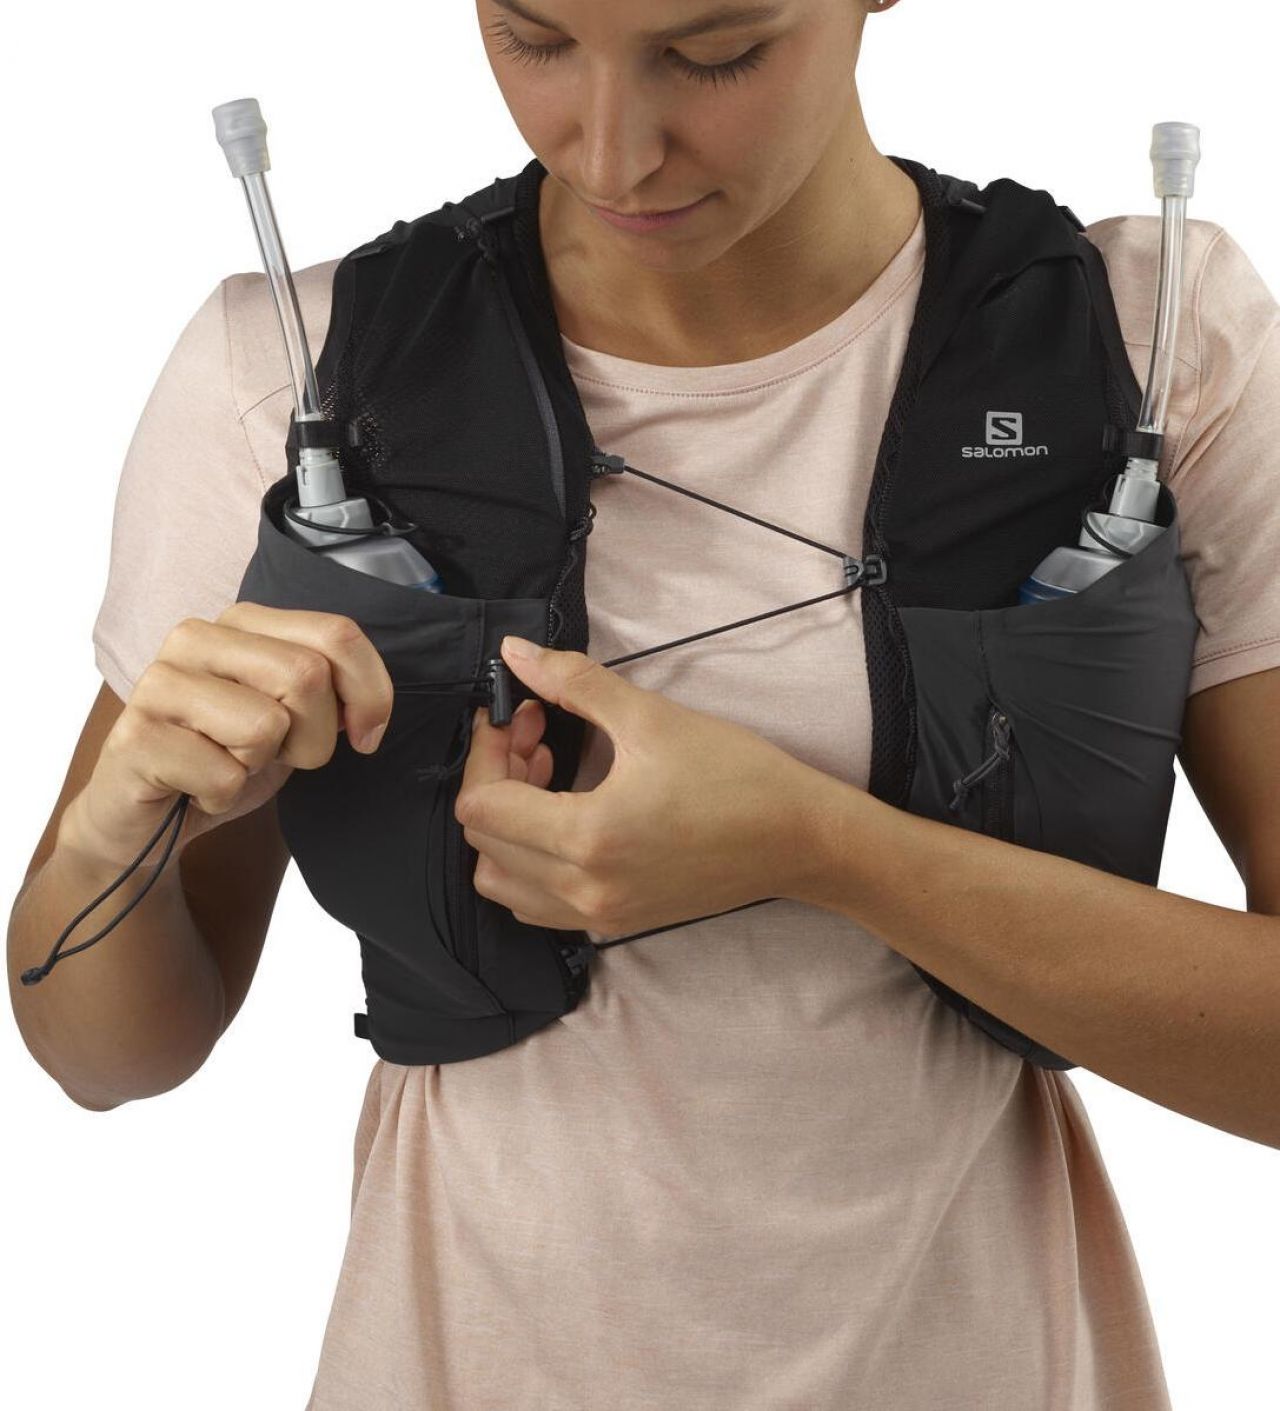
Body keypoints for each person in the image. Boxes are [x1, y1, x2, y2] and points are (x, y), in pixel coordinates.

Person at [9, 1, 1280, 1406]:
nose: (611, 152)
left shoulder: (1155, 350)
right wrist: (104, 841)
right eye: (532, 37)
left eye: (714, 51)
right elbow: (104, 1060)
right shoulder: (286, 376)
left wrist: (819, 846)